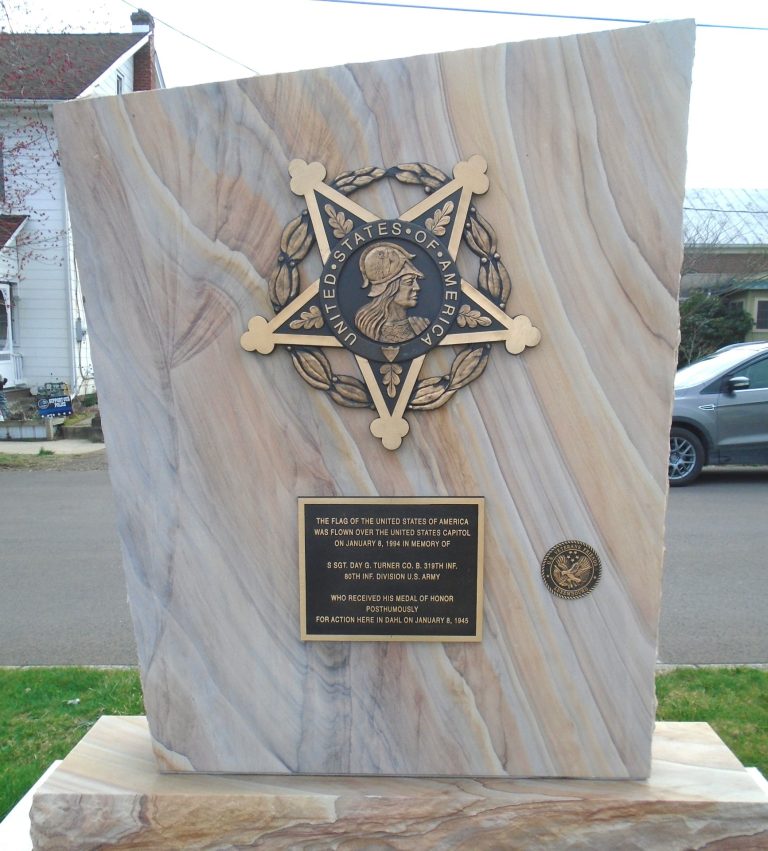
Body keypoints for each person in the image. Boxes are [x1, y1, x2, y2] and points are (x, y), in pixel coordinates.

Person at [354, 243, 429, 343]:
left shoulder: (421, 325)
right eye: (409, 282)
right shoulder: (367, 328)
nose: (417, 288)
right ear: (390, 289)